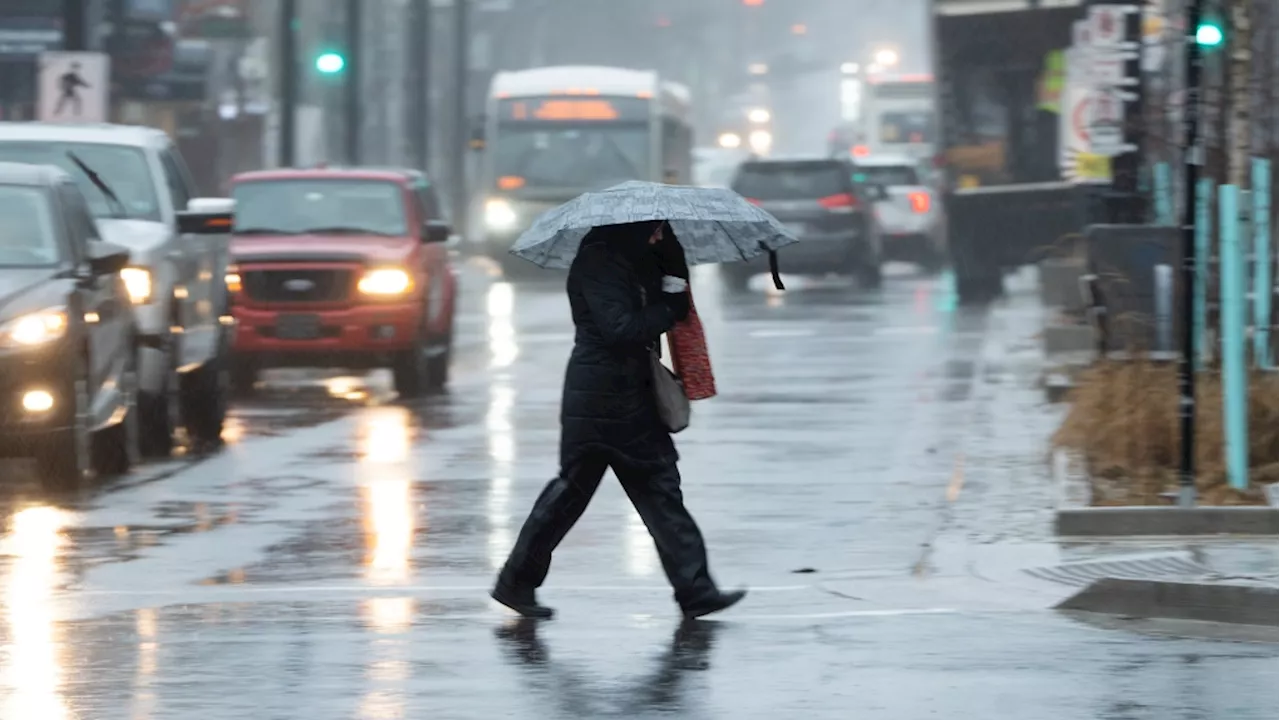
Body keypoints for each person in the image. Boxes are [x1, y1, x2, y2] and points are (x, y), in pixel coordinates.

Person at [492, 220, 746, 620]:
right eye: (656, 228)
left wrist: (673, 272)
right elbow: (621, 328)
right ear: (632, 225)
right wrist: (669, 304)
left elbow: (652, 310)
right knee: (645, 489)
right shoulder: (599, 261)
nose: (660, 235)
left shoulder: (632, 256)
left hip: (624, 394)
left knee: (607, 492)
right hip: (603, 397)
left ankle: (516, 581)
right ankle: (695, 590)